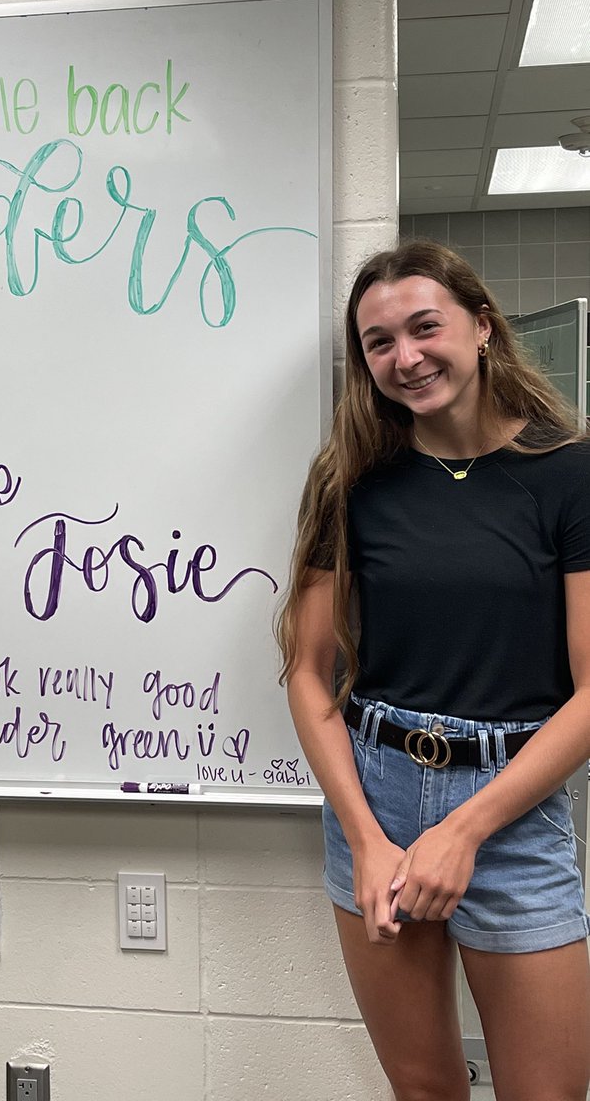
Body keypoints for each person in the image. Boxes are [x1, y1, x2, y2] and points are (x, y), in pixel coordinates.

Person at [279, 239, 590, 1101]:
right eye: (379, 343)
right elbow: (308, 673)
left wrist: (464, 830)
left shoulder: (568, 474)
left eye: (425, 328)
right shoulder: (352, 481)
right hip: (371, 800)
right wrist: (372, 839)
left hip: (512, 811)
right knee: (424, 1091)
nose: (405, 358)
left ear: (482, 326)